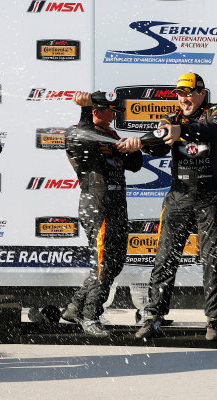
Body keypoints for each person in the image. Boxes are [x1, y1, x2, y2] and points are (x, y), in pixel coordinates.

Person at [119, 73, 217, 341]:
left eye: (188, 93)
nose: (183, 99)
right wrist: (137, 145)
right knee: (164, 258)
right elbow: (157, 146)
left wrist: (184, 131)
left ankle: (213, 321)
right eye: (179, 94)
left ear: (201, 94)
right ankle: (153, 317)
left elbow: (216, 130)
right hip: (179, 197)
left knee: (213, 261)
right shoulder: (171, 119)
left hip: (211, 198)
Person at [61, 91, 143, 337]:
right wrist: (84, 109)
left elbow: (135, 165)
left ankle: (74, 308)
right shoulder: (76, 132)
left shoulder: (111, 134)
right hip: (97, 206)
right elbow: (85, 142)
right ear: (96, 111)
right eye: (111, 111)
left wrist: (134, 148)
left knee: (113, 263)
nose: (115, 115)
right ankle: (90, 316)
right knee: (103, 264)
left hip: (118, 205)